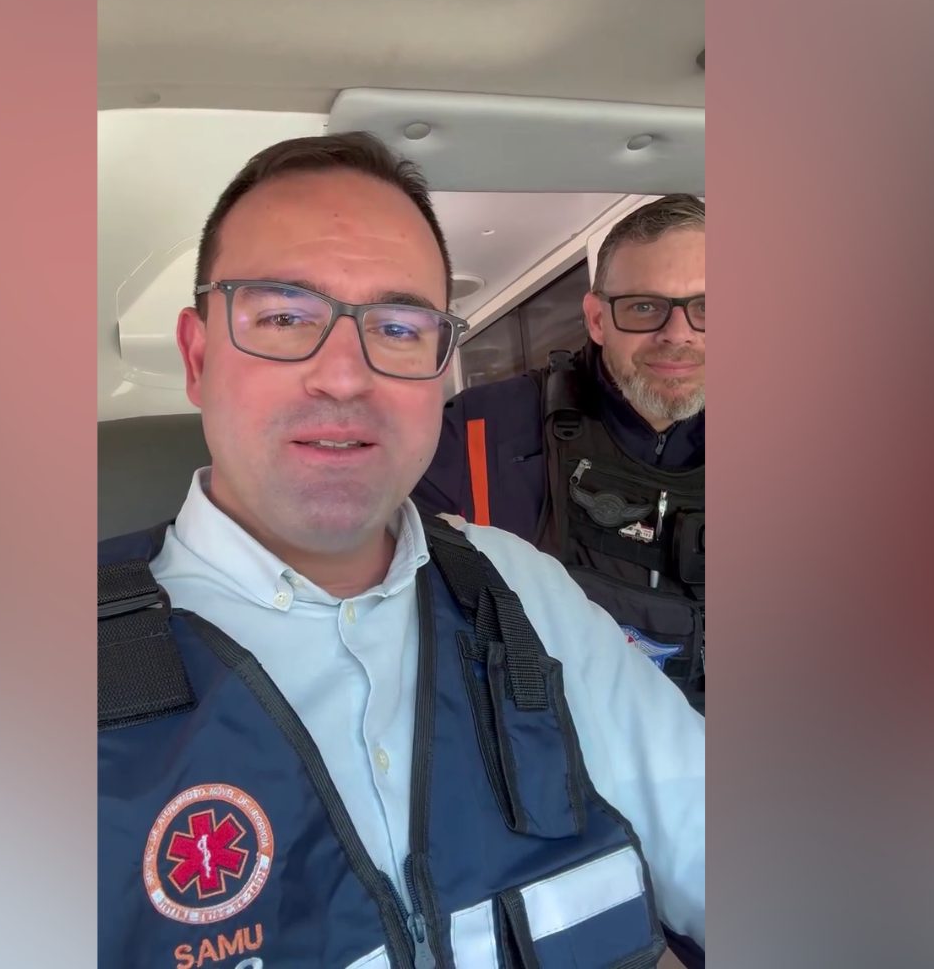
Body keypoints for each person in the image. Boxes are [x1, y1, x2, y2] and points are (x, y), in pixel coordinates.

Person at [97, 133, 705, 968]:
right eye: (285, 318)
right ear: (198, 358)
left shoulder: (521, 588)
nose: (345, 377)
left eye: (398, 327)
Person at [413, 195, 708, 710]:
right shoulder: (475, 434)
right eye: (644, 307)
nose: (678, 335)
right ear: (596, 319)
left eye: (707, 307)